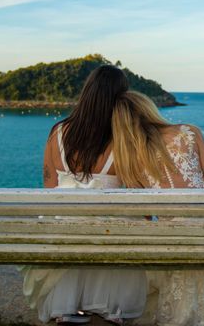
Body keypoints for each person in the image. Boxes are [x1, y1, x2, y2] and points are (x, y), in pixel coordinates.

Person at [21, 65, 147, 325]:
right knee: (119, 226)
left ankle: (68, 304)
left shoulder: (57, 133)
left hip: (65, 230)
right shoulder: (123, 139)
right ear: (121, 99)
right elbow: (140, 194)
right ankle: (107, 305)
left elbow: (49, 189)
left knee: (67, 222)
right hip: (108, 235)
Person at [111, 91, 204, 326]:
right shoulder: (189, 132)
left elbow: (144, 213)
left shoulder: (128, 157)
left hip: (169, 235)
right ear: (149, 107)